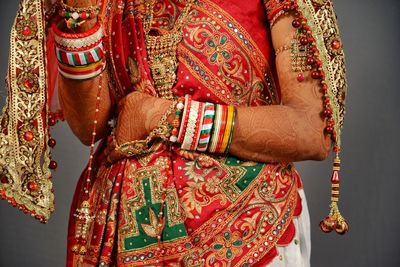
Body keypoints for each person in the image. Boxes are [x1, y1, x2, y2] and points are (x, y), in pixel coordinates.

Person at [0, 0, 348, 266]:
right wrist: (78, 19)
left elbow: (312, 130)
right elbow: (90, 127)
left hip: (245, 231)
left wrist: (163, 117)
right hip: (120, 231)